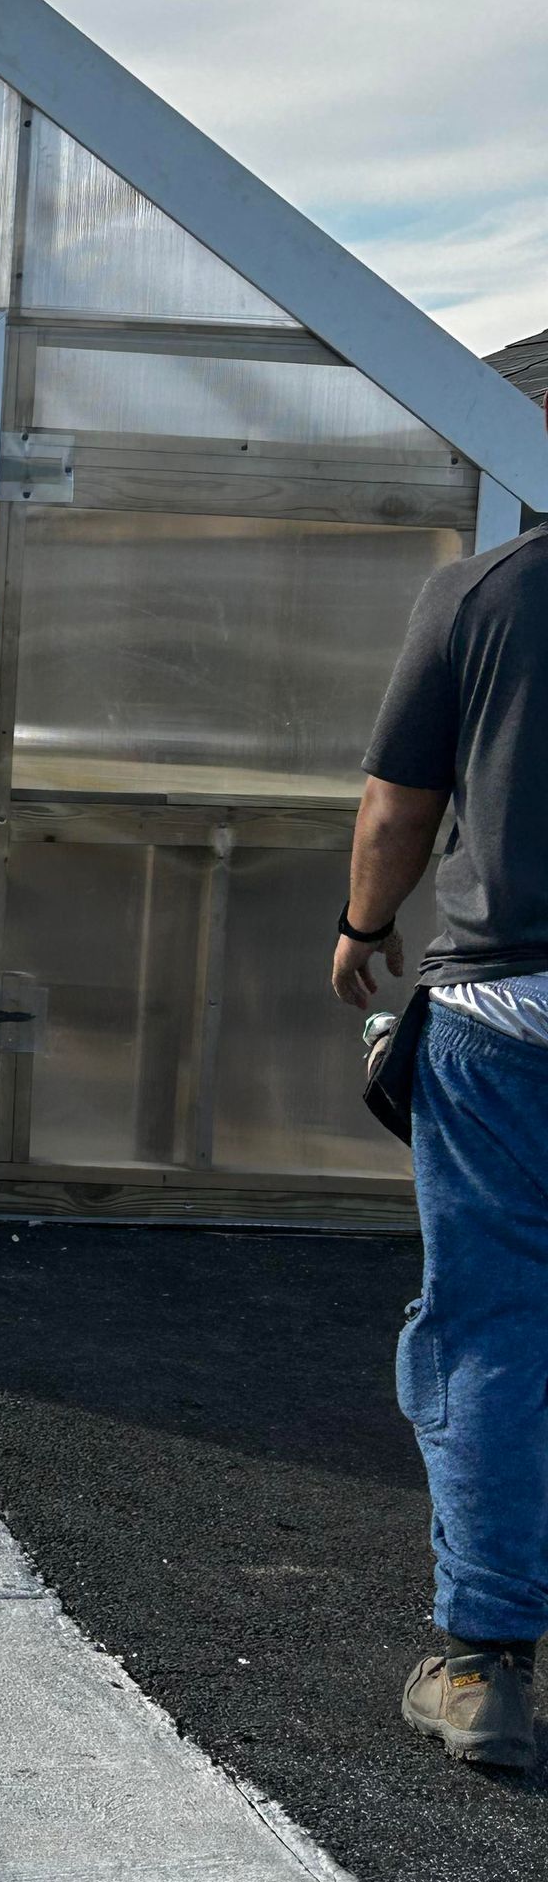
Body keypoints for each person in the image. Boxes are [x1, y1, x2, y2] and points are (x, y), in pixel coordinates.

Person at [333, 514, 548, 1773]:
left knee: (490, 1330)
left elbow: (398, 805)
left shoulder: (483, 594)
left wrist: (362, 924)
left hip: (508, 1019)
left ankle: (484, 1666)